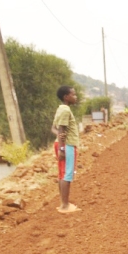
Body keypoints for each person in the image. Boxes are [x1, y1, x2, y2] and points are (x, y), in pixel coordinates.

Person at [51, 85, 80, 213]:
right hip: (67, 145)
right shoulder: (65, 111)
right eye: (73, 94)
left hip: (62, 144)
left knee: (62, 174)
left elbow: (53, 128)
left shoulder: (60, 109)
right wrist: (62, 149)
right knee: (67, 175)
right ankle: (65, 205)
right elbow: (62, 129)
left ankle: (63, 203)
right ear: (66, 97)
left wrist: (60, 144)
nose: (75, 96)